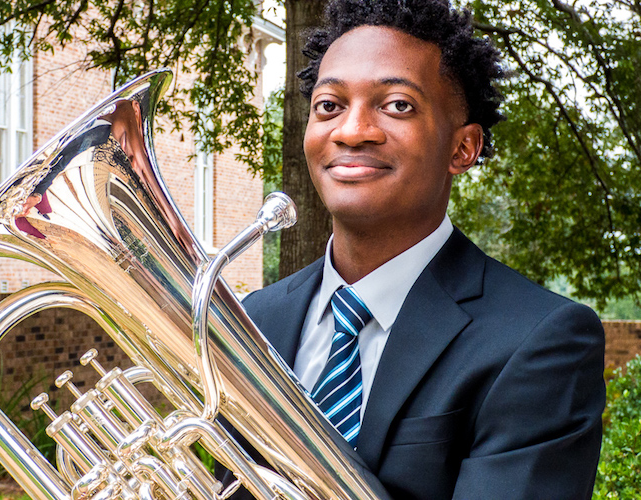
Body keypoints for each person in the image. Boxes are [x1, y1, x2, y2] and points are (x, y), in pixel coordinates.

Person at [238, 0, 606, 498]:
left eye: (397, 106)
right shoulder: (251, 320)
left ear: (463, 148)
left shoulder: (541, 341)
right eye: (329, 105)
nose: (351, 131)